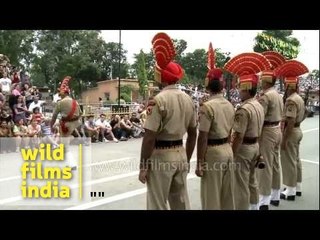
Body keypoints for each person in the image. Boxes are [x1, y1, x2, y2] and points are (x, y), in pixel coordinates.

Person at [138, 32, 197, 210]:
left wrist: (143, 166)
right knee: (181, 202)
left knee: (157, 202)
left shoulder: (158, 100)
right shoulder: (188, 99)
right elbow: (193, 133)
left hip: (161, 155)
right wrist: (186, 158)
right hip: (180, 152)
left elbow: (149, 137)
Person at [196, 43, 235, 210]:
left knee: (211, 196)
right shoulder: (229, 104)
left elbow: (203, 136)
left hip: (213, 152)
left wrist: (199, 162)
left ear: (207, 84)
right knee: (227, 195)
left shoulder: (207, 106)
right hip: (228, 149)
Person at [275, 60, 309, 200]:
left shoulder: (291, 100)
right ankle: (297, 186)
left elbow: (290, 120)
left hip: (291, 132)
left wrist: (284, 139)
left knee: (288, 160)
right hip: (298, 130)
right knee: (296, 159)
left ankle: (290, 190)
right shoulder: (299, 98)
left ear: (289, 85)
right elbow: (305, 113)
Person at [232, 74, 265, 210]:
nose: (239, 91)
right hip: (255, 145)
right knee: (252, 180)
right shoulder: (258, 104)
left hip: (244, 148)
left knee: (240, 183)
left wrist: (232, 153)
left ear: (246, 89)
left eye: (240, 88)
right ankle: (254, 206)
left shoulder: (244, 109)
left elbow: (239, 136)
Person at [256, 70, 284, 209]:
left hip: (267, 131)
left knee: (264, 165)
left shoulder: (265, 96)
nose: (260, 81)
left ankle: (264, 199)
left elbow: (259, 118)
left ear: (266, 81)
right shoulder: (277, 94)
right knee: (275, 164)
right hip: (277, 129)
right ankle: (275, 195)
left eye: (262, 79)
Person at [50, 76, 82, 169]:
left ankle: (72, 164)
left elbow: (54, 116)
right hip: (76, 123)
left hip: (66, 125)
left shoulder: (60, 103)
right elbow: (80, 113)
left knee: (65, 146)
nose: (59, 94)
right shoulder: (75, 102)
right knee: (63, 140)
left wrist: (51, 125)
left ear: (64, 93)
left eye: (60, 92)